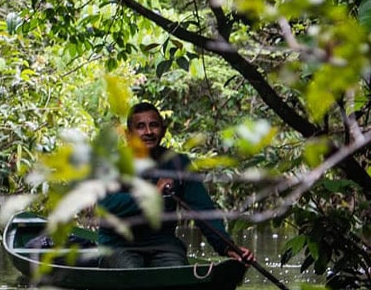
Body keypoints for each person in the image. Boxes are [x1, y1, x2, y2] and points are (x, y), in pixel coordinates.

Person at [97, 102, 256, 269]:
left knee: (176, 270)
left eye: (154, 125)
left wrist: (228, 247)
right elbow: (107, 206)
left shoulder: (178, 164)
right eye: (141, 127)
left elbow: (203, 211)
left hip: (163, 244)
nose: (149, 132)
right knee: (131, 272)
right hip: (119, 244)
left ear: (163, 130)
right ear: (129, 135)